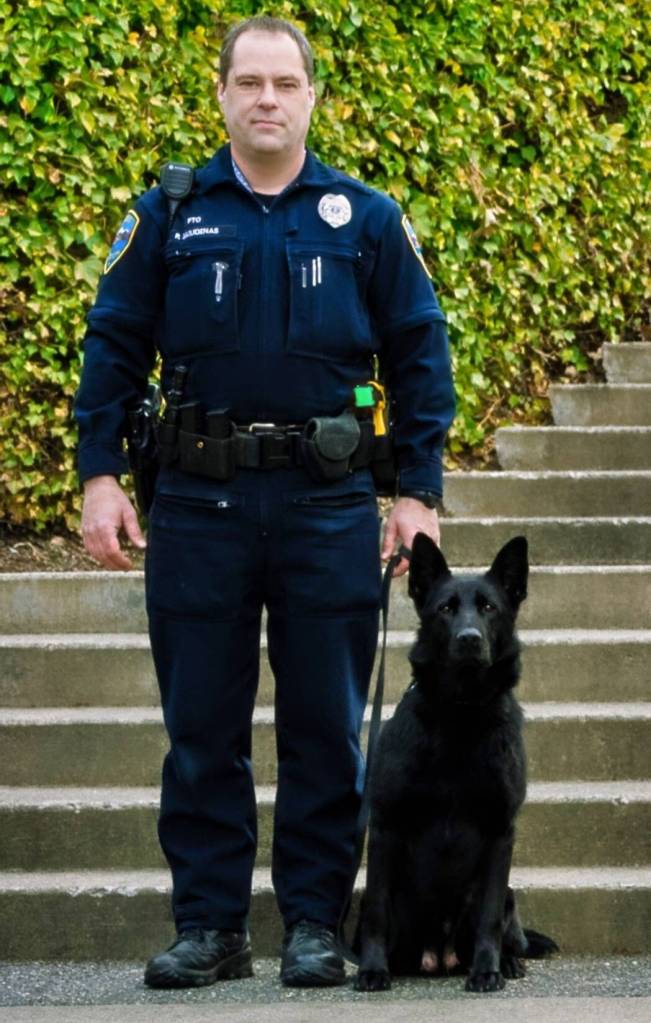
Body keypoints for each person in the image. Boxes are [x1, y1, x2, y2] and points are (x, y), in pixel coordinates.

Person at [75, 15, 455, 989]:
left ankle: (317, 926)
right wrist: (100, 475)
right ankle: (211, 927)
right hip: (199, 507)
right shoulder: (170, 211)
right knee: (201, 724)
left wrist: (416, 494)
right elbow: (113, 344)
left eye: (285, 82)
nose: (267, 99)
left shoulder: (366, 218)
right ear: (222, 96)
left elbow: (419, 354)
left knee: (326, 725)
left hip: (327, 507)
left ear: (313, 96)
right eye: (249, 82)